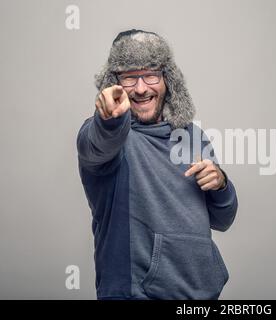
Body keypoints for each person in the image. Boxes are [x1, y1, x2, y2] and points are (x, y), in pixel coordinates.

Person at [76, 29, 238, 300]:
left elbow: (223, 220)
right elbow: (97, 144)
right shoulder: (109, 136)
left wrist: (220, 184)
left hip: (201, 296)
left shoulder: (193, 136)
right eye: (129, 77)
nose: (141, 88)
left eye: (151, 74)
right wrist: (109, 121)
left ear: (167, 79)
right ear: (114, 84)